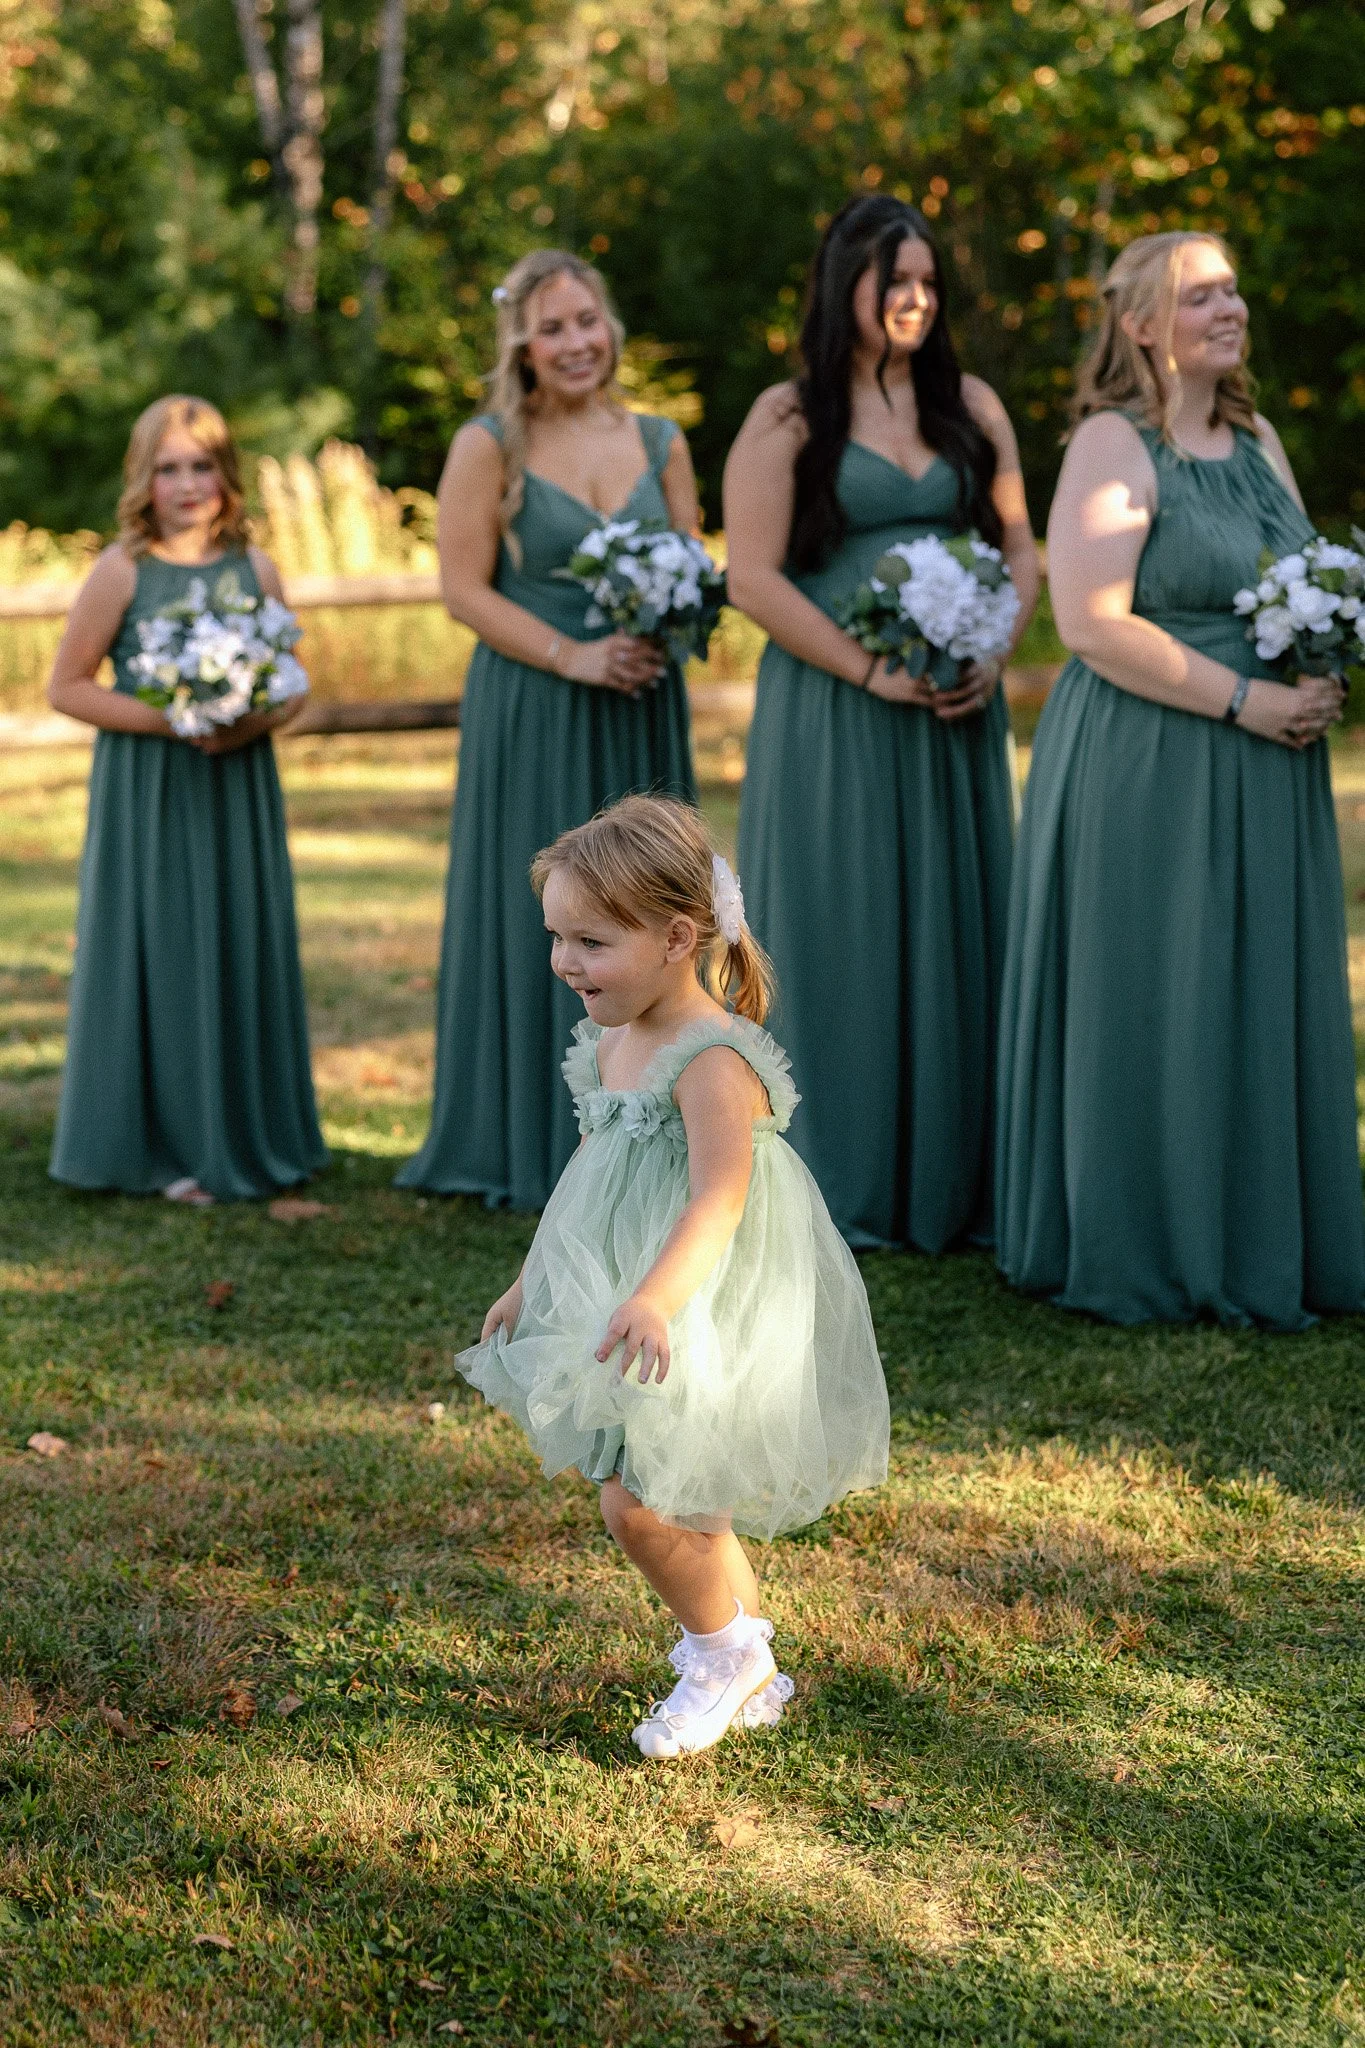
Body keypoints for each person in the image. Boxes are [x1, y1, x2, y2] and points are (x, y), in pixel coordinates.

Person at [458, 795, 890, 1758]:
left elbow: (718, 1200)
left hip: (701, 1297)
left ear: (677, 937)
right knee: (684, 1493)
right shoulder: (611, 1041)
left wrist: (657, 1296)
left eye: (592, 941)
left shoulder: (711, 1059)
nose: (566, 962)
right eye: (557, 937)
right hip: (628, 1288)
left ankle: (720, 1657)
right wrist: (533, 1281)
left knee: (641, 1501)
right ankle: (748, 1663)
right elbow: (590, 1176)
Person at [996, 231, 1364, 1327]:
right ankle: (1146, 1235)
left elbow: (1299, 573)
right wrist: (1249, 699)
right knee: (1159, 988)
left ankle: (1257, 1229)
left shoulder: (1256, 438)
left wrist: (1319, 658)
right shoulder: (1113, 443)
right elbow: (1090, 625)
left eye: (1234, 288)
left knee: (1248, 985)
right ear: (1142, 325)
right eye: (1200, 293)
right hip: (1151, 756)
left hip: (1268, 763)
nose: (1230, 306)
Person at [724, 195, 1040, 1254]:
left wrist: (995, 643)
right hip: (835, 713)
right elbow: (754, 578)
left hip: (954, 713)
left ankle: (959, 1181)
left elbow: (1023, 549)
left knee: (957, 925)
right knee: (841, 925)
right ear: (843, 283)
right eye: (892, 279)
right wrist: (868, 669)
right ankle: (833, 1177)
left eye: (928, 282)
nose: (914, 299)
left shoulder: (972, 404)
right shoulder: (786, 416)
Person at [396, 250, 700, 1211]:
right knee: (554, 909)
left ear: (609, 327)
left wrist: (666, 624)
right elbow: (460, 588)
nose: (574, 343)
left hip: (642, 701)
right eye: (552, 327)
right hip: (537, 705)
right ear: (521, 343)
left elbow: (692, 563)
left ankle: (660, 1123)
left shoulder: (660, 440)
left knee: (653, 910)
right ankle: (531, 1137)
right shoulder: (491, 443)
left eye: (587, 321)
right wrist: (572, 656)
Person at [46, 395, 325, 1205]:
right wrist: (177, 719)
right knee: (160, 948)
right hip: (153, 789)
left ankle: (249, 1131)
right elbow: (66, 686)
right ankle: (159, 1148)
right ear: (144, 477)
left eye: (202, 465)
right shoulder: (122, 570)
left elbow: (294, 686)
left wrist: (249, 721)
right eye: (169, 468)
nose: (188, 483)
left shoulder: (258, 568)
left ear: (225, 473)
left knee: (239, 939)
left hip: (236, 783)